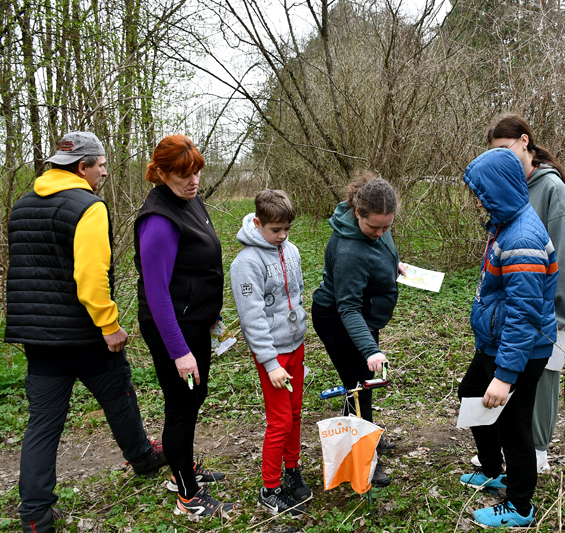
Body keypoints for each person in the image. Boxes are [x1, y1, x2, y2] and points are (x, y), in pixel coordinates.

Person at [5, 132, 166, 533]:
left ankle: (35, 514)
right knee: (119, 394)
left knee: (42, 423)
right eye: (102, 167)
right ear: (82, 167)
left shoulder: (22, 205)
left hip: (37, 337)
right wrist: (109, 326)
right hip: (85, 334)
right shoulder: (88, 207)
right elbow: (91, 277)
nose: (105, 174)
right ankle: (142, 457)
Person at [458, 148, 558, 528]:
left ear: (499, 188)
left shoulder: (523, 238)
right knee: (471, 393)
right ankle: (491, 470)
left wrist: (505, 375)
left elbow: (524, 313)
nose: (478, 199)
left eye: (481, 192)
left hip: (519, 352)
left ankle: (519, 505)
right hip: (494, 344)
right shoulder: (505, 223)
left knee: (516, 428)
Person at [134, 135, 232, 516]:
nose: (193, 182)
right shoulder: (158, 220)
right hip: (172, 327)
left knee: (193, 399)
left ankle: (182, 470)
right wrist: (180, 352)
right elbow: (157, 294)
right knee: (181, 406)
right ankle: (187, 496)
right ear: (160, 173)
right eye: (183, 175)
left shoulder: (189, 200)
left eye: (196, 173)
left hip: (195, 320)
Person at [485, 113, 565, 474]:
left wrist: (557, 316)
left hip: (544, 315)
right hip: (513, 311)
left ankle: (537, 449)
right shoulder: (511, 185)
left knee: (540, 384)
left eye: (507, 149)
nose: (504, 159)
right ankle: (512, 448)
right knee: (510, 381)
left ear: (525, 142)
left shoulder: (551, 189)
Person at [311, 172, 403, 488]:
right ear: (357, 213)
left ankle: (368, 440)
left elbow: (381, 249)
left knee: (364, 384)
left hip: (361, 317)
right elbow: (346, 307)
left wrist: (394, 267)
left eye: (387, 226)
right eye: (373, 227)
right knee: (358, 384)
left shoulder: (376, 226)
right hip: (338, 319)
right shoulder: (349, 250)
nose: (380, 232)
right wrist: (371, 349)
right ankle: (365, 459)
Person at [230, 190, 310, 517]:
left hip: (296, 347)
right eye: (275, 230)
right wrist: (270, 362)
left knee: (294, 414)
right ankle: (270, 487)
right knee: (279, 421)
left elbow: (297, 295)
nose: (282, 236)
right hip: (273, 356)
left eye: (287, 229)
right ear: (258, 222)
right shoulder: (246, 263)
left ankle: (291, 469)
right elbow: (252, 318)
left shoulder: (290, 250)